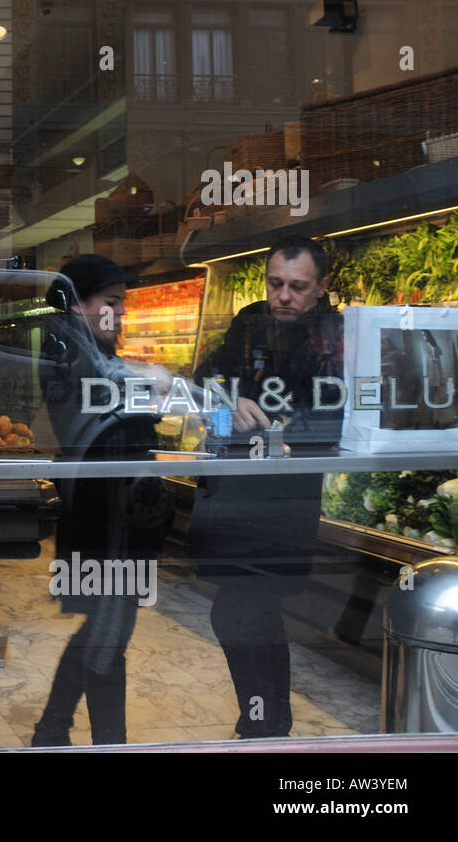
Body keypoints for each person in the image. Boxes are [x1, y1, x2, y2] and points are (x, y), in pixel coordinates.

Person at [191, 235, 344, 739]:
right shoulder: (249, 320)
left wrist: (279, 429)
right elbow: (202, 380)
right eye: (276, 283)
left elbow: (339, 414)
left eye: (297, 288)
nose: (284, 296)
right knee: (255, 611)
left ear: (320, 288)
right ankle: (270, 722)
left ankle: (260, 724)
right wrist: (224, 402)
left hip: (286, 498)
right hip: (236, 490)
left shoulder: (336, 336)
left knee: (235, 612)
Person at [31, 255, 172, 746]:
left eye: (122, 305)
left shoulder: (79, 348)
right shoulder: (68, 349)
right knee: (109, 634)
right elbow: (112, 379)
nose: (120, 315)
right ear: (75, 306)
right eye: (111, 303)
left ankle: (52, 729)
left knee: (103, 626)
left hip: (115, 512)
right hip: (107, 517)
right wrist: (165, 381)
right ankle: (110, 741)